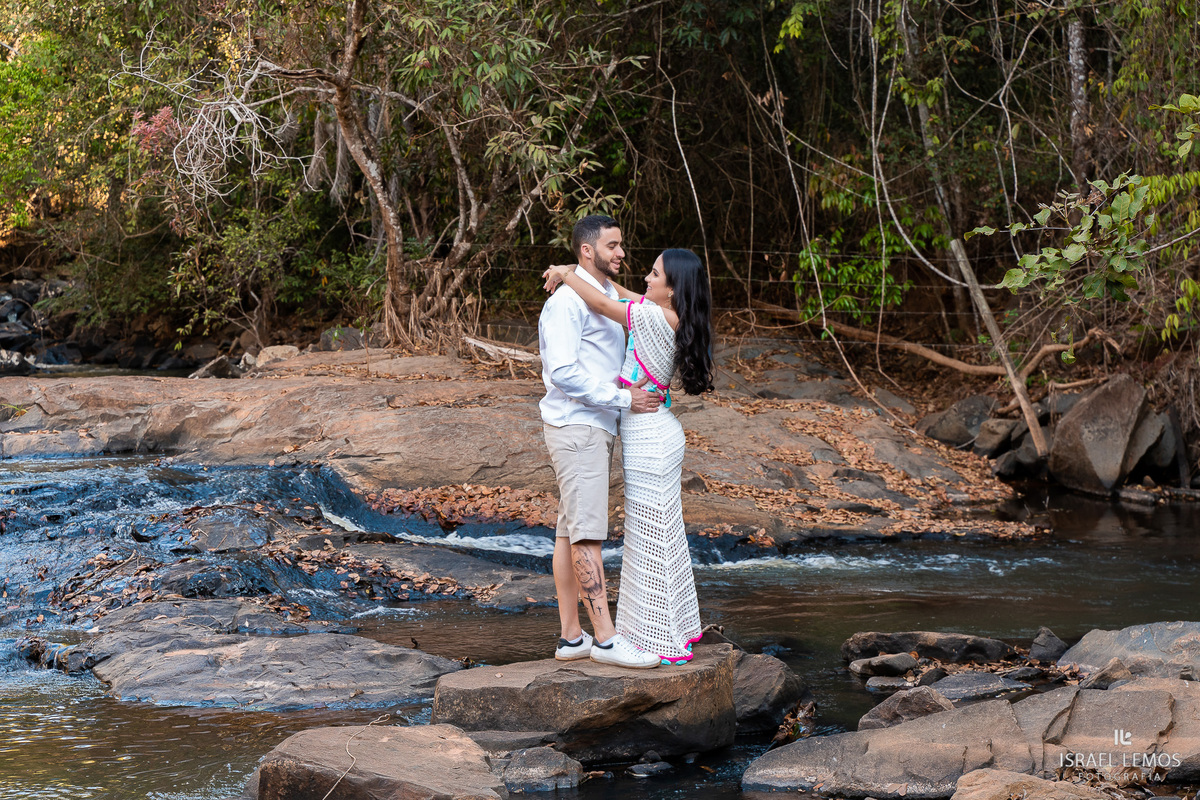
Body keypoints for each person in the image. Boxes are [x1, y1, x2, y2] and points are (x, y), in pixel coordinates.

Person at [543, 247, 715, 666]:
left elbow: (603, 301)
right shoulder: (663, 313)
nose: (646, 279)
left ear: (672, 289)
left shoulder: (656, 318)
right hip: (652, 434)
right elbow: (617, 291)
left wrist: (567, 274)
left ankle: (655, 634)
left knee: (651, 535)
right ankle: (663, 627)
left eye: (654, 275)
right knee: (656, 533)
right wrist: (572, 270)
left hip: (651, 438)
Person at [539, 214, 665, 669]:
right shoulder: (566, 303)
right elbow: (563, 372)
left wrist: (567, 270)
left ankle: (573, 638)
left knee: (569, 531)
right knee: (587, 535)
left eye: (622, 244)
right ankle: (607, 641)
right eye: (613, 245)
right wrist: (623, 399)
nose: (622, 253)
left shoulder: (606, 293)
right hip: (578, 428)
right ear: (588, 250)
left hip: (593, 427)